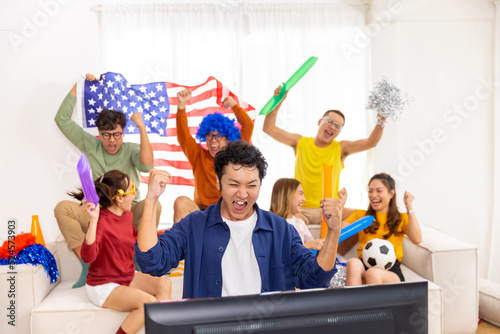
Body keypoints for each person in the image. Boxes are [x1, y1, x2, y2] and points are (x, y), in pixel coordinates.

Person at [135, 141, 346, 299]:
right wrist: (152, 198)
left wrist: (334, 231)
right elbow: (152, 261)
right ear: (219, 181)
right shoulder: (194, 225)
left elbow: (315, 278)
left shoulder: (280, 229)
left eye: (252, 185)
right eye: (234, 184)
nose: (243, 194)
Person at [54, 74, 161, 263]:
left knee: (155, 206)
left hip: (128, 215)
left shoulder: (131, 149)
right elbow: (62, 119)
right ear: (99, 133)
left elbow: (147, 165)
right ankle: (88, 263)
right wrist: (80, 84)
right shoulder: (90, 145)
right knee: (62, 208)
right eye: (106, 135)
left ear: (123, 132)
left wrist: (142, 129)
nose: (112, 140)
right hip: (99, 214)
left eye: (117, 134)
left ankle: (140, 260)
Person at [263, 86, 385, 226]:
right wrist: (278, 100)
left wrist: (382, 119)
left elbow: (371, 142)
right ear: (319, 121)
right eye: (330, 121)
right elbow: (269, 128)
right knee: (292, 225)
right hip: (302, 210)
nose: (333, 127)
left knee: (368, 217)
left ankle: (341, 247)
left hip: (329, 209)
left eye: (338, 126)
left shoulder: (341, 148)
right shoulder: (300, 142)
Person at [70, 170, 171, 334]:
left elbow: (133, 237)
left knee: (164, 283)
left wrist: (164, 233)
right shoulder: (101, 222)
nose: (135, 194)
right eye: (132, 189)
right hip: (103, 285)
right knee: (149, 302)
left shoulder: (127, 214)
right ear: (119, 197)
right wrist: (94, 220)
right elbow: (88, 257)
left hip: (126, 276)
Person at [173, 88, 254, 223]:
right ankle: (178, 243)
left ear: (228, 138)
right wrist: (181, 106)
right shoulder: (198, 155)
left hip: (226, 213)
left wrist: (233, 105)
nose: (213, 140)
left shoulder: (236, 155)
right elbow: (183, 136)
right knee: (180, 202)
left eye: (219, 136)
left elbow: (248, 126)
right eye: (209, 135)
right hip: (202, 212)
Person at [344, 173, 422, 286]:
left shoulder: (401, 217)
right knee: (352, 263)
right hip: (364, 263)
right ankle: (352, 303)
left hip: (390, 269)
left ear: (391, 194)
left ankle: (373, 303)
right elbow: (338, 232)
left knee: (373, 273)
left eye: (379, 191)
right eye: (370, 191)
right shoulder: (361, 216)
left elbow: (417, 239)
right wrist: (340, 206)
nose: (373, 195)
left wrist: (409, 205)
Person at [270, 178, 324, 250]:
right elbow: (276, 252)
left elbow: (313, 247)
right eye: (300, 193)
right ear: (288, 195)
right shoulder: (270, 224)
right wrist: (307, 245)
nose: (304, 199)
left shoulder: (300, 223)